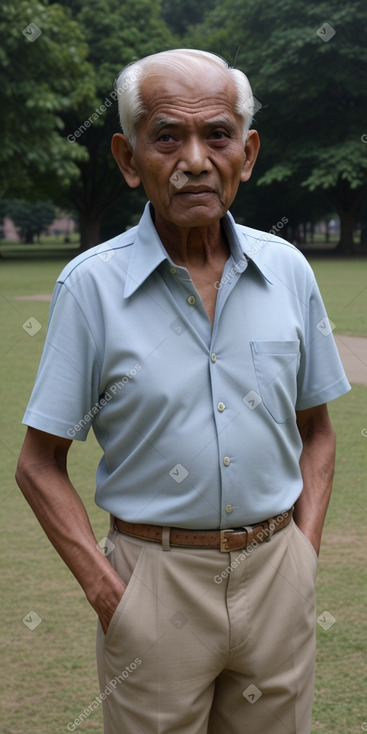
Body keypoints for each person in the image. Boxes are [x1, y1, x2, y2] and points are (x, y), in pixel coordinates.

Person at [16, 48, 350, 734]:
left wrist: (302, 556)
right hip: (153, 584)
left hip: (275, 576)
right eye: (167, 136)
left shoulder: (287, 270)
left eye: (217, 135)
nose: (194, 159)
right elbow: (38, 464)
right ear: (129, 158)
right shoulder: (91, 287)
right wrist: (111, 595)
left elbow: (315, 432)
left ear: (247, 152)